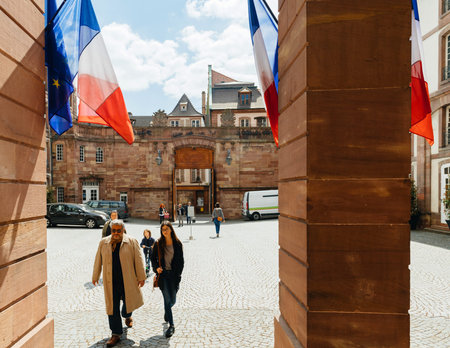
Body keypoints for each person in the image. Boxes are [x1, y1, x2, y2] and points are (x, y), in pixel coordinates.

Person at [92, 220, 146, 347]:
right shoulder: (103, 243)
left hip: (128, 280)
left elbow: (138, 260)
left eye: (118, 231)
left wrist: (141, 277)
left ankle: (127, 315)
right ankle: (115, 333)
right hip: (111, 281)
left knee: (127, 306)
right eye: (114, 230)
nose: (116, 233)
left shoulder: (131, 242)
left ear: (123, 230)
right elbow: (97, 260)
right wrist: (95, 275)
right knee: (112, 307)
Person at [151, 221, 184, 338]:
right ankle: (171, 325)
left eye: (166, 228)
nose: (164, 231)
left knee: (172, 300)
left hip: (174, 276)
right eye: (163, 229)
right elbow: (152, 258)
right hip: (163, 276)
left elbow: (181, 262)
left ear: (171, 229)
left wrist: (178, 275)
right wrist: (156, 268)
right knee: (166, 299)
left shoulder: (178, 243)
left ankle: (167, 311)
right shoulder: (158, 243)